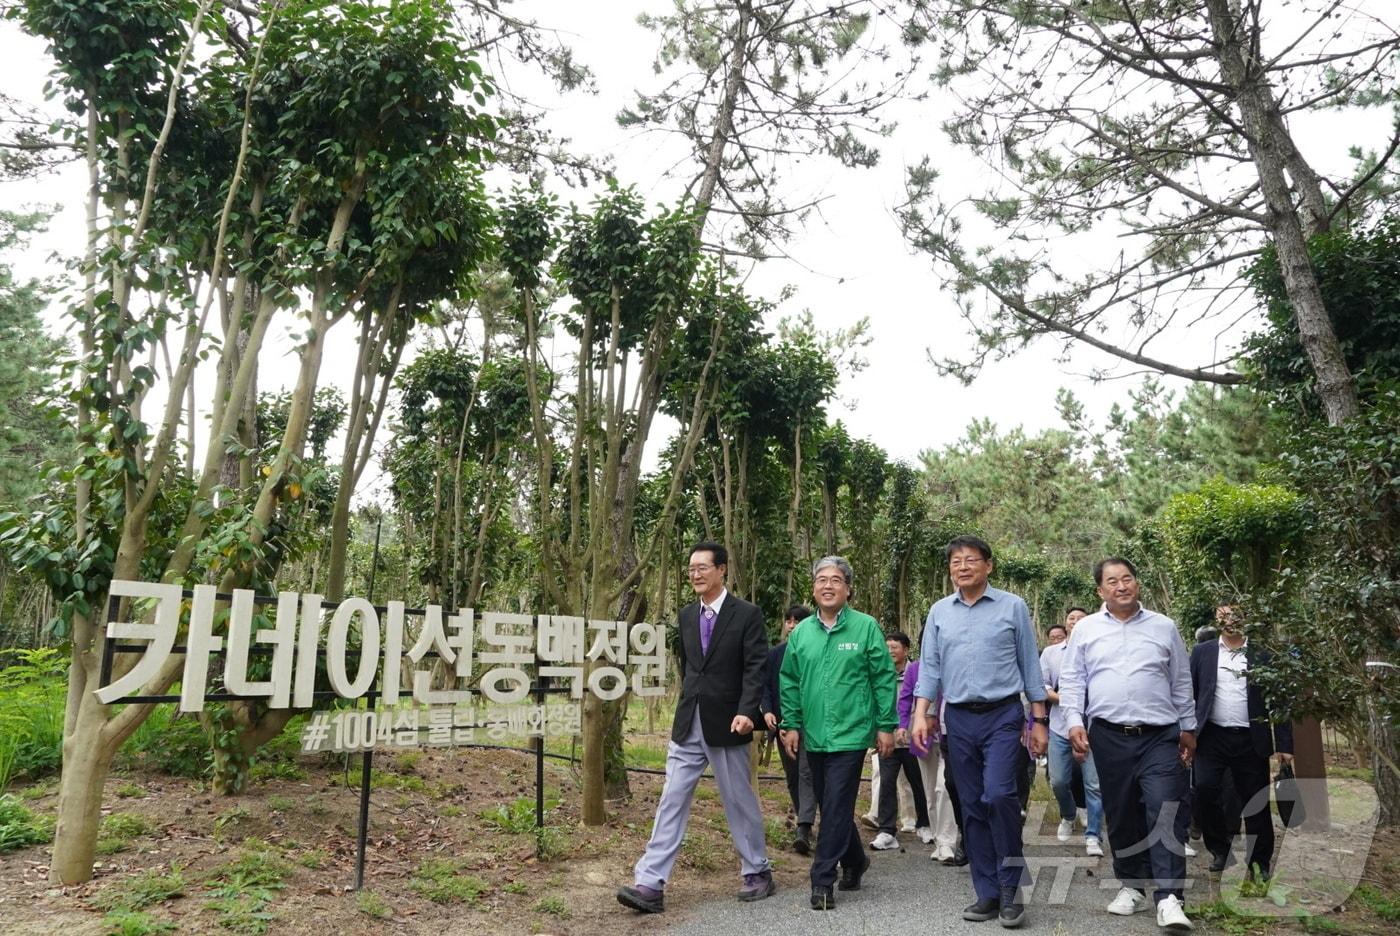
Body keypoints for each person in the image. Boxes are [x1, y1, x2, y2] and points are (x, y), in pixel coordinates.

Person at [617, 541, 775, 914]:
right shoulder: (687, 616)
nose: (696, 574)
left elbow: (756, 668)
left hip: (729, 723)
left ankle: (758, 870)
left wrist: (747, 711)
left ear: (722, 570)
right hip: (689, 722)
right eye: (691, 569)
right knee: (671, 799)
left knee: (738, 800)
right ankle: (650, 882)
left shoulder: (747, 614)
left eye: (703, 567)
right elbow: (690, 666)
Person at [912, 535, 1049, 929]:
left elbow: (1029, 665)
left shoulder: (1012, 606)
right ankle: (987, 892)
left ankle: (1011, 886)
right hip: (958, 719)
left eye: (971, 559)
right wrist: (922, 715)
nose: (963, 566)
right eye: (955, 561)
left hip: (1003, 715)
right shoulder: (939, 612)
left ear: (988, 565)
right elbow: (931, 668)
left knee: (1000, 794)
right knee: (970, 804)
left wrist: (1038, 720)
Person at [1060, 557, 1196, 932]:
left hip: (1160, 735)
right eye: (1112, 581)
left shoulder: (1163, 627)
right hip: (1108, 735)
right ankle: (1132, 885)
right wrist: (1074, 723)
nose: (1121, 586)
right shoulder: (1085, 630)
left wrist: (1189, 728)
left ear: (1137, 583)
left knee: (1164, 807)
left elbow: (1181, 681)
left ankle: (1170, 898)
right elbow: (1072, 682)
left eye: (1127, 579)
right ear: (1100, 590)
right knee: (1121, 813)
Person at [779, 556, 897, 911]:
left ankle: (822, 880)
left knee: (834, 805)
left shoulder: (865, 628)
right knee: (834, 805)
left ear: (848, 588)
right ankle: (856, 860)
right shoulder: (801, 634)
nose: (827, 586)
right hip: (813, 734)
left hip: (850, 732)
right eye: (821, 580)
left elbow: (882, 678)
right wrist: (791, 723)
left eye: (835, 580)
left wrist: (886, 725)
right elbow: (789, 681)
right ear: (813, 587)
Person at [1190, 604, 1294, 881]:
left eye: (1237, 614)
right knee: (1203, 789)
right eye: (1225, 614)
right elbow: (1191, 693)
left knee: (1255, 801)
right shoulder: (1203, 652)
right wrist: (1186, 733)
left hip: (1251, 739)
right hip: (1211, 737)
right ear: (1217, 618)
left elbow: (1278, 700)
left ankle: (1259, 863)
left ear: (1247, 617)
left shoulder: (1263, 653)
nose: (1231, 619)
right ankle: (1220, 849)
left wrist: (1285, 744)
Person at [1041, 607, 1105, 857]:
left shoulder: (1098, 649)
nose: (1076, 622)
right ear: (1065, 624)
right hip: (1060, 724)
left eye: (1081, 618)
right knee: (1058, 780)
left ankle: (1093, 835)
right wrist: (1066, 700)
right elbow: (1041, 686)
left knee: (1094, 783)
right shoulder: (1051, 653)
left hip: (1093, 725)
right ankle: (1068, 815)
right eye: (1071, 618)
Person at [762, 604, 817, 854]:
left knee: (806, 772)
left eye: (798, 621)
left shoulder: (816, 650)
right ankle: (805, 821)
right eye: (789, 621)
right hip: (783, 725)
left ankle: (803, 828)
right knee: (793, 776)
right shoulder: (775, 653)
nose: (792, 625)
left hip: (811, 724)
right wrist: (768, 711)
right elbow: (765, 686)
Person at [870, 632, 932, 850]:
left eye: (894, 647)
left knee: (919, 783)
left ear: (906, 650)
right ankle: (886, 830)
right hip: (888, 737)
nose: (890, 651)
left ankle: (924, 824)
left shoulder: (916, 672)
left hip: (912, 737)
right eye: (886, 647)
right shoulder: (879, 674)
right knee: (887, 783)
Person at [898, 658, 960, 862]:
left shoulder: (955, 662)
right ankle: (938, 838)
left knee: (945, 786)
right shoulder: (915, 668)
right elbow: (905, 699)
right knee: (931, 791)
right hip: (923, 739)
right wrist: (902, 725)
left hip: (951, 735)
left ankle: (947, 841)